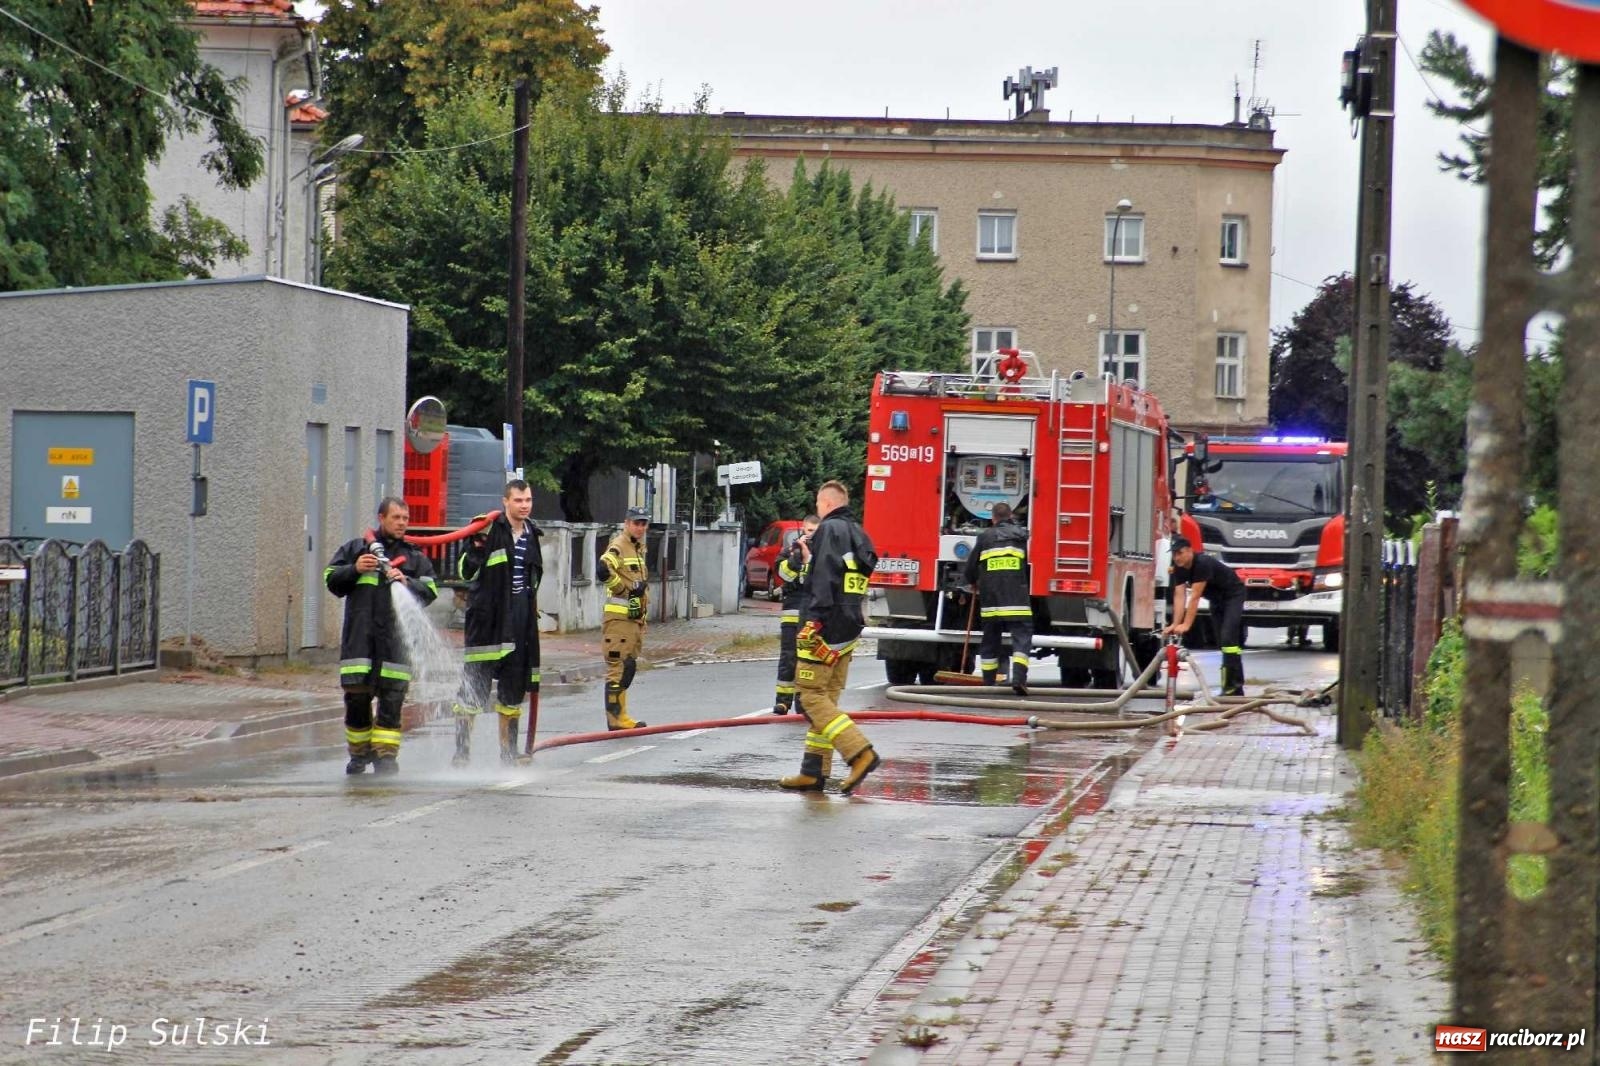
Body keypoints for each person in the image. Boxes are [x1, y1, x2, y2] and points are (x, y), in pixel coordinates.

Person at [324, 497, 438, 775]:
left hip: (396, 646)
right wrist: (355, 569)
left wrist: (406, 581)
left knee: (392, 701)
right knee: (356, 701)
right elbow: (331, 579)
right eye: (396, 517)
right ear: (381, 518)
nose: (402, 523)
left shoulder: (414, 558)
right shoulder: (356, 549)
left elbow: (430, 590)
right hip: (360, 643)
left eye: (405, 518)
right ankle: (358, 755)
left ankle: (386, 757)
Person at [781, 481, 881, 795]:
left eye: (818, 504)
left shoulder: (829, 529)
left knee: (810, 697)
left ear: (825, 503)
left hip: (823, 627)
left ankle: (859, 753)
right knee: (827, 700)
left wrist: (814, 620)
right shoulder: (859, 533)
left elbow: (824, 576)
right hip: (848, 626)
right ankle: (813, 770)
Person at [450, 479, 544, 766]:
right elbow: (465, 572)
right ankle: (462, 753)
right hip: (488, 623)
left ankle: (508, 755)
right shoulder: (488, 529)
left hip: (520, 623)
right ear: (505, 502)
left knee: (513, 692)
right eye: (518, 500)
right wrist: (476, 548)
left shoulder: (532, 533)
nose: (524, 506)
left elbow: (532, 580)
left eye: (528, 500)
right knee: (473, 692)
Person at [1162, 535, 1248, 696]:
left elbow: (1194, 597)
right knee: (1223, 642)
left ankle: (1233, 687)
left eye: (1180, 553)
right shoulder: (1178, 567)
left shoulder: (1202, 563)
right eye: (1174, 554)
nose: (1177, 558)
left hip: (1233, 596)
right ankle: (1233, 687)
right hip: (1216, 600)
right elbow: (1179, 596)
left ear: (1190, 551)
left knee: (1228, 639)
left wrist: (1186, 625)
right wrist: (1175, 623)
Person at [963, 501, 1033, 695]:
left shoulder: (984, 537)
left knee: (990, 640)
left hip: (991, 599)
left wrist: (972, 581)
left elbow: (970, 567)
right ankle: (1019, 679)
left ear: (993, 518)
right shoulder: (1021, 536)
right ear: (1010, 516)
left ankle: (988, 682)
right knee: (1022, 637)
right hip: (1016, 598)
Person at [599, 506, 652, 731]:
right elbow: (603, 569)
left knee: (627, 667)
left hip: (632, 621)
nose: (640, 527)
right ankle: (615, 720)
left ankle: (622, 716)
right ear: (626, 523)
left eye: (643, 524)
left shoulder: (636, 548)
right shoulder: (620, 545)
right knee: (618, 668)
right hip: (618, 622)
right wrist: (623, 590)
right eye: (636, 523)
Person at [772, 514, 820, 715]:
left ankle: (803, 701)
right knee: (788, 657)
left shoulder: (823, 552)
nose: (811, 535)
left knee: (808, 660)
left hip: (812, 615)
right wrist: (796, 557)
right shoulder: (791, 551)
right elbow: (783, 574)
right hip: (792, 613)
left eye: (815, 532)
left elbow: (819, 580)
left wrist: (809, 558)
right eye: (808, 531)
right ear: (802, 531)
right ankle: (783, 701)